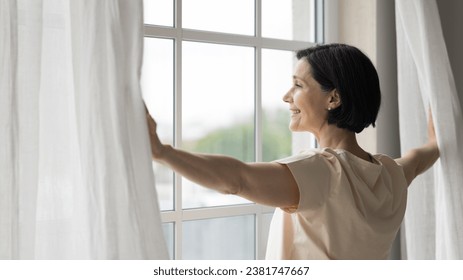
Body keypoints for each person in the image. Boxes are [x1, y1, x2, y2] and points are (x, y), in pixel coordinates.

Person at [145, 43, 440, 259]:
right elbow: (420, 158)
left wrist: (163, 152)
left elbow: (238, 179)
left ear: (333, 98)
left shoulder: (322, 171)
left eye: (298, 85)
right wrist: (436, 142)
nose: (287, 96)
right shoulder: (390, 173)